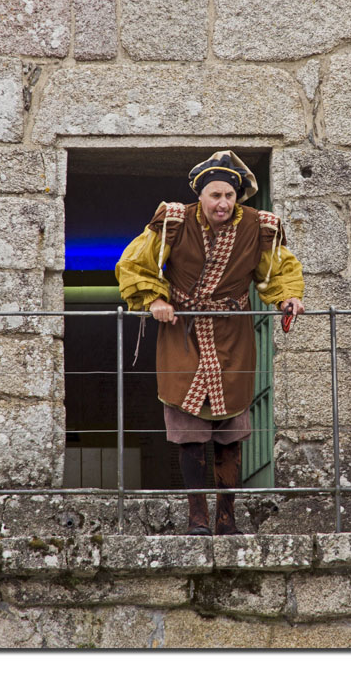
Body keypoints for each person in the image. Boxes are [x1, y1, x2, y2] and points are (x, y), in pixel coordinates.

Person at [116, 151, 305, 536]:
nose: (222, 203)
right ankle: (197, 518)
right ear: (200, 195)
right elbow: (134, 265)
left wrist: (288, 296)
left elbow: (279, 270)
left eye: (229, 196)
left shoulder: (260, 226)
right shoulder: (173, 221)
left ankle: (227, 518)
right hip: (181, 331)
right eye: (215, 195)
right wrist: (156, 300)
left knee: (231, 431)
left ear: (237, 197)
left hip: (232, 335)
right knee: (189, 432)